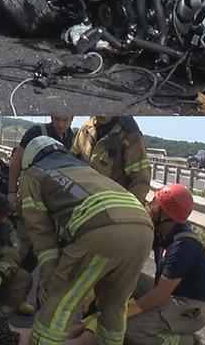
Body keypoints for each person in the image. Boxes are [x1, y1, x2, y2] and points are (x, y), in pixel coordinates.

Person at [19, 136, 154, 345]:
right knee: (115, 305)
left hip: (103, 231)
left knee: (59, 303)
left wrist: (49, 278)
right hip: (143, 228)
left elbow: (41, 234)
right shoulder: (85, 168)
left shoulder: (33, 174)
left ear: (29, 159)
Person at [125, 184, 205, 345]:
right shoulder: (162, 232)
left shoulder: (183, 246)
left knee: (131, 330)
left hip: (193, 306)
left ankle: (187, 341)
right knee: (129, 278)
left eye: (155, 203)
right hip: (174, 295)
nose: (150, 206)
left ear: (165, 213)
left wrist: (124, 313)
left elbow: (159, 294)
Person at [70, 116, 152, 204]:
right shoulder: (85, 129)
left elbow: (140, 180)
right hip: (83, 202)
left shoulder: (130, 136)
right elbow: (71, 163)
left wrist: (128, 210)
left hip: (112, 206)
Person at [7, 116, 74, 212]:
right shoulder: (36, 132)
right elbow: (17, 162)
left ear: (71, 119)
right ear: (51, 117)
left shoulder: (72, 138)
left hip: (57, 193)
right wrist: (12, 192)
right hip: (33, 190)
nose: (60, 125)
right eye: (57, 119)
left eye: (64, 120)